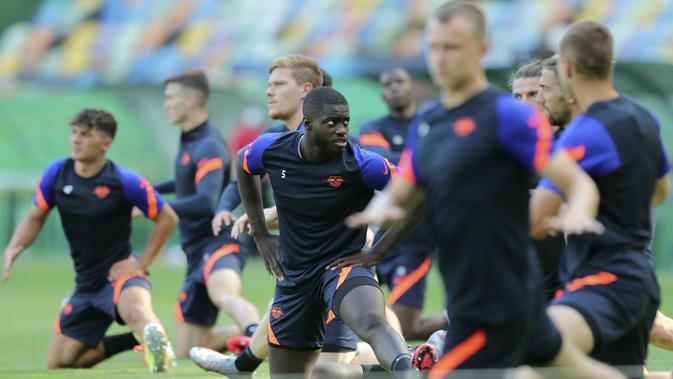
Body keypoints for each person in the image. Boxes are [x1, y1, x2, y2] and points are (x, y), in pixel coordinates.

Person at [339, 2, 624, 378]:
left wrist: (579, 211)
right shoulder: (429, 119)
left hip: (499, 300)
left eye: (452, 47)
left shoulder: (509, 116)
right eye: (435, 46)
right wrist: (382, 208)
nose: (441, 57)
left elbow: (576, 181)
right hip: (471, 291)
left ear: (482, 49)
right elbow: (407, 184)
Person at [236, 86, 413, 377]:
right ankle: (378, 373)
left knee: (371, 322)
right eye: (332, 123)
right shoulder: (272, 148)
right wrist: (261, 234)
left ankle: (408, 370)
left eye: (345, 121)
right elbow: (242, 165)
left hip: (341, 267)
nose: (342, 130)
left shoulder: (361, 163)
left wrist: (378, 251)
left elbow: (416, 195)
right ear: (307, 124)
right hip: (293, 278)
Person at [531, 21, 671, 377]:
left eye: (543, 89)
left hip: (604, 279)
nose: (541, 98)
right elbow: (659, 192)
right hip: (637, 279)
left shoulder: (585, 130)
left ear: (567, 68)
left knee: (541, 347)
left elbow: (536, 217)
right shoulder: (644, 118)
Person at [2, 109, 178, 372]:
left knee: (136, 310)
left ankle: (158, 347)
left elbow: (168, 218)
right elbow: (34, 218)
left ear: (105, 143)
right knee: (60, 362)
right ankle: (136, 340)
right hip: (85, 285)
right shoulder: (57, 174)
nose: (76, 139)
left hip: (119, 274)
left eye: (85, 135)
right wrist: (14, 246)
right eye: (74, 133)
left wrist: (141, 263)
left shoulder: (124, 181)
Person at [155, 70, 259, 357]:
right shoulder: (190, 140)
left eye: (170, 98)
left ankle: (255, 333)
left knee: (224, 294)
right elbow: (187, 182)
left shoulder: (210, 144)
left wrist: (153, 207)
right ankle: (270, 332)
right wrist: (147, 191)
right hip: (194, 251)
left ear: (189, 101)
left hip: (218, 242)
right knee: (190, 349)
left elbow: (205, 202)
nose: (166, 104)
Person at [358, 67, 446, 340]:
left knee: (405, 329)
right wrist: (423, 158)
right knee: (354, 318)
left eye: (400, 82)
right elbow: (380, 158)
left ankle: (461, 320)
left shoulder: (430, 122)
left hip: (415, 239)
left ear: (412, 87)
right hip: (377, 234)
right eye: (388, 84)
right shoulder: (372, 128)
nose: (394, 87)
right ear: (382, 94)